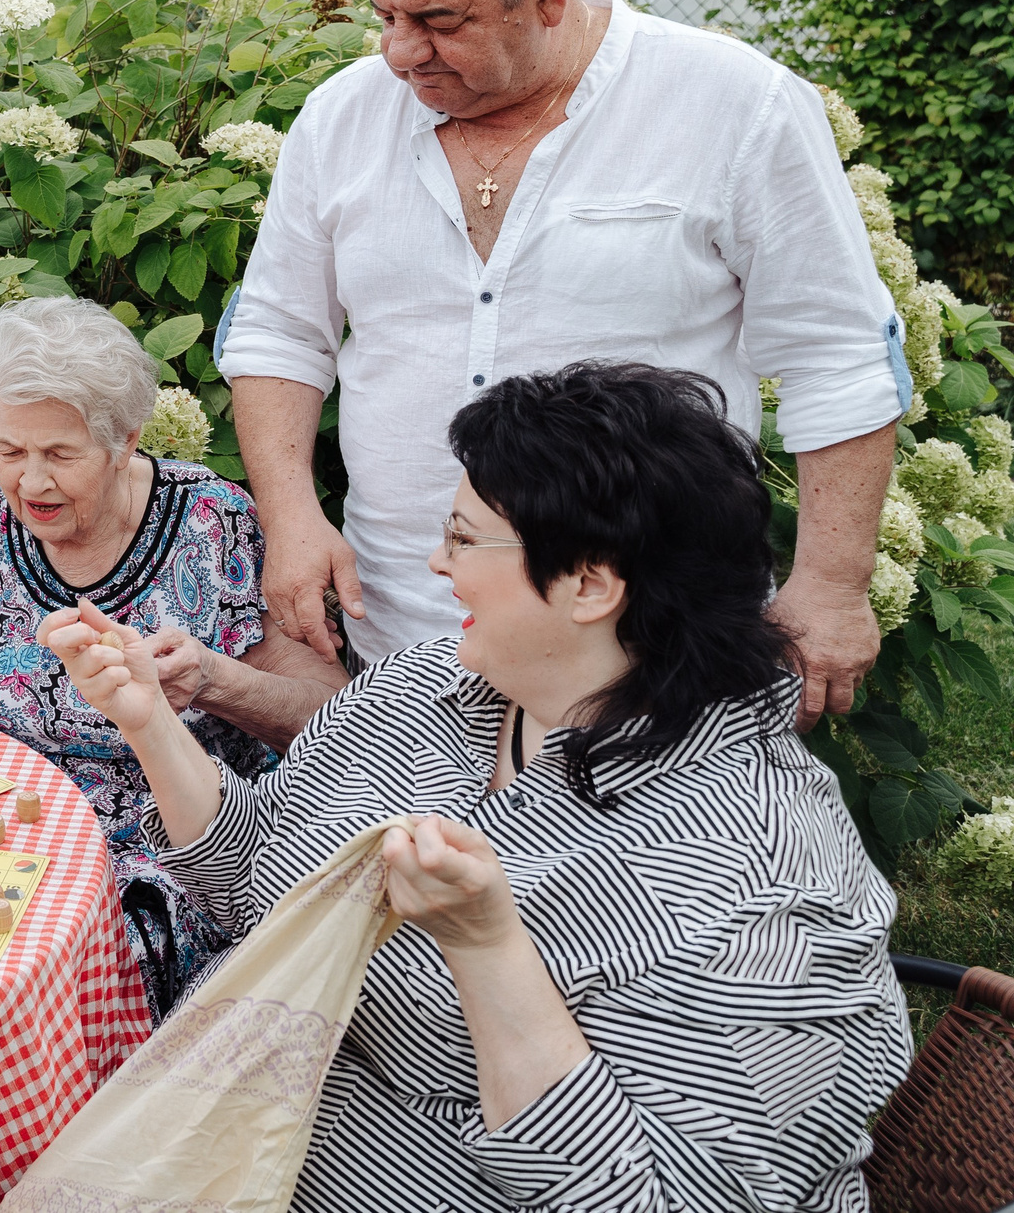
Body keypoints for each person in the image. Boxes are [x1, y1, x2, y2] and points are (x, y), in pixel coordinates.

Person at [53, 362, 912, 1210]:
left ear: (590, 583)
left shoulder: (766, 879)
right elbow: (251, 887)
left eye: (464, 538)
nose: (437, 562)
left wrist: (485, 946)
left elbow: (654, 1198)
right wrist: (150, 725)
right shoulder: (431, 690)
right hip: (231, 1149)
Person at [219, 0, 902, 727]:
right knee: (431, 865)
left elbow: (840, 355)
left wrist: (832, 586)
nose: (398, 52)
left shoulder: (737, 105)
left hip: (650, 641)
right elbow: (278, 331)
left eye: (438, 20)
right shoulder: (341, 118)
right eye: (384, 15)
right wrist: (293, 516)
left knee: (654, 868)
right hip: (409, 636)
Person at [0, 297, 346, 1018]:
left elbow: (336, 721)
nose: (30, 482)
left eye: (59, 455)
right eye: (9, 450)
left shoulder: (215, 522)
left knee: (31, 978)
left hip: (165, 866)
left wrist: (213, 680)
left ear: (125, 440)